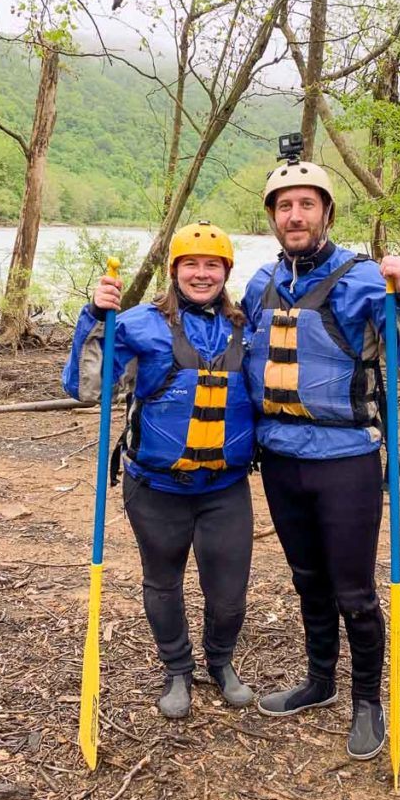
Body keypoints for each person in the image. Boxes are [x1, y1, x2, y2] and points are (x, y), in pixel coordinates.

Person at [242, 145, 400, 760]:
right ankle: (319, 682)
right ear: (273, 217)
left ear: (326, 212)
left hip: (347, 460)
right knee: (307, 581)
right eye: (284, 206)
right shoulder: (260, 282)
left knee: (353, 589)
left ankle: (366, 703)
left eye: (306, 204)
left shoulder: (364, 278)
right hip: (279, 455)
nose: (295, 215)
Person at [63, 222, 255, 719]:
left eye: (212, 265)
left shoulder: (245, 326)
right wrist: (94, 317)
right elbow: (85, 388)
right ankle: (177, 669)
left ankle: (222, 662)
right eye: (190, 264)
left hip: (225, 488)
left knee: (229, 593)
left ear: (226, 272)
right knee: (163, 582)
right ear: (174, 271)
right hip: (156, 488)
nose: (201, 273)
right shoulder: (136, 324)